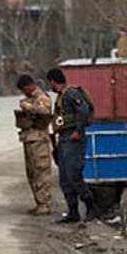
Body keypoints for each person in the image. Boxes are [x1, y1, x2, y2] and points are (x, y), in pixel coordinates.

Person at [47, 67, 100, 224]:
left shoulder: (71, 93)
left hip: (73, 139)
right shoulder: (61, 97)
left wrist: (78, 130)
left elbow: (83, 110)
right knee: (64, 178)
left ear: (52, 81)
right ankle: (73, 211)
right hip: (64, 139)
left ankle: (91, 207)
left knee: (73, 175)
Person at [14, 74, 54, 215]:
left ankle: (45, 204)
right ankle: (39, 202)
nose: (23, 92)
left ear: (30, 85)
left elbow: (45, 111)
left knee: (41, 171)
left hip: (39, 140)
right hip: (29, 138)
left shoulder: (41, 97)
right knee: (32, 173)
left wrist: (29, 107)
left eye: (24, 89)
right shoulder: (30, 98)